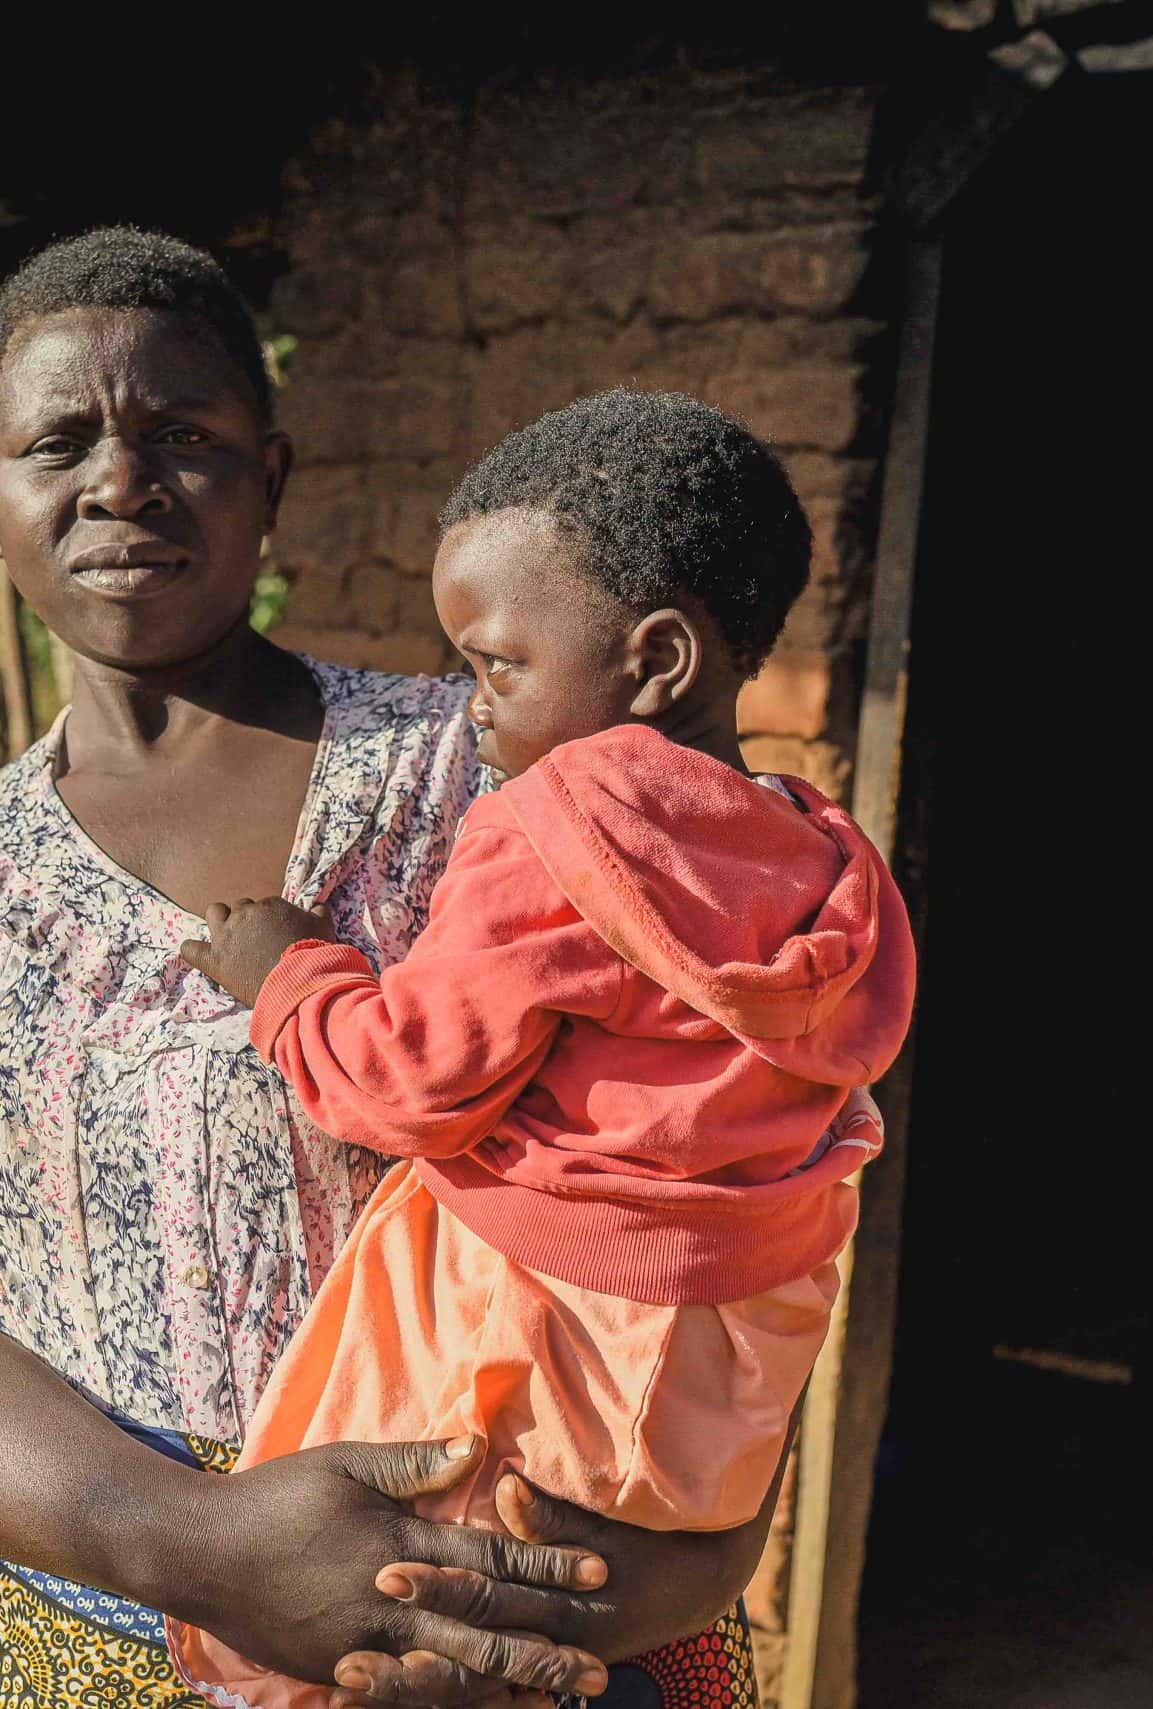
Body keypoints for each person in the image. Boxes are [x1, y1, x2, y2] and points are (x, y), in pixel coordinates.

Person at [0, 231, 785, 1709]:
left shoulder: (506, 772)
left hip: (514, 1624)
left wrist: (642, 1577)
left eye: (183, 437)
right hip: (84, 1652)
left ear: (272, 474)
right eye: (57, 441)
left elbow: (739, 1142)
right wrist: (204, 1546)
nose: (120, 482)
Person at [173, 392, 915, 1709]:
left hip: (543, 1327)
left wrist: (285, 969)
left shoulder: (559, 820)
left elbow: (407, 1081)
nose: (472, 709)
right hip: (712, 1370)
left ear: (659, 659)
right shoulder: (823, 856)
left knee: (394, 1612)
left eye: (496, 666)